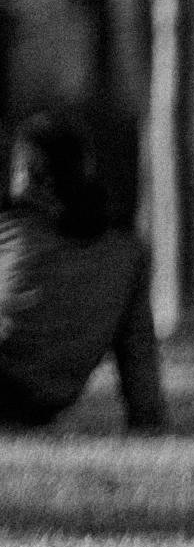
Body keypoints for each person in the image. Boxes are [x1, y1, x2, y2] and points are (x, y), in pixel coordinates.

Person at [0, 111, 168, 433]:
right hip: (43, 404)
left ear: (27, 174)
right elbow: (138, 357)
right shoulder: (126, 253)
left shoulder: (14, 230)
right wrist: (148, 423)